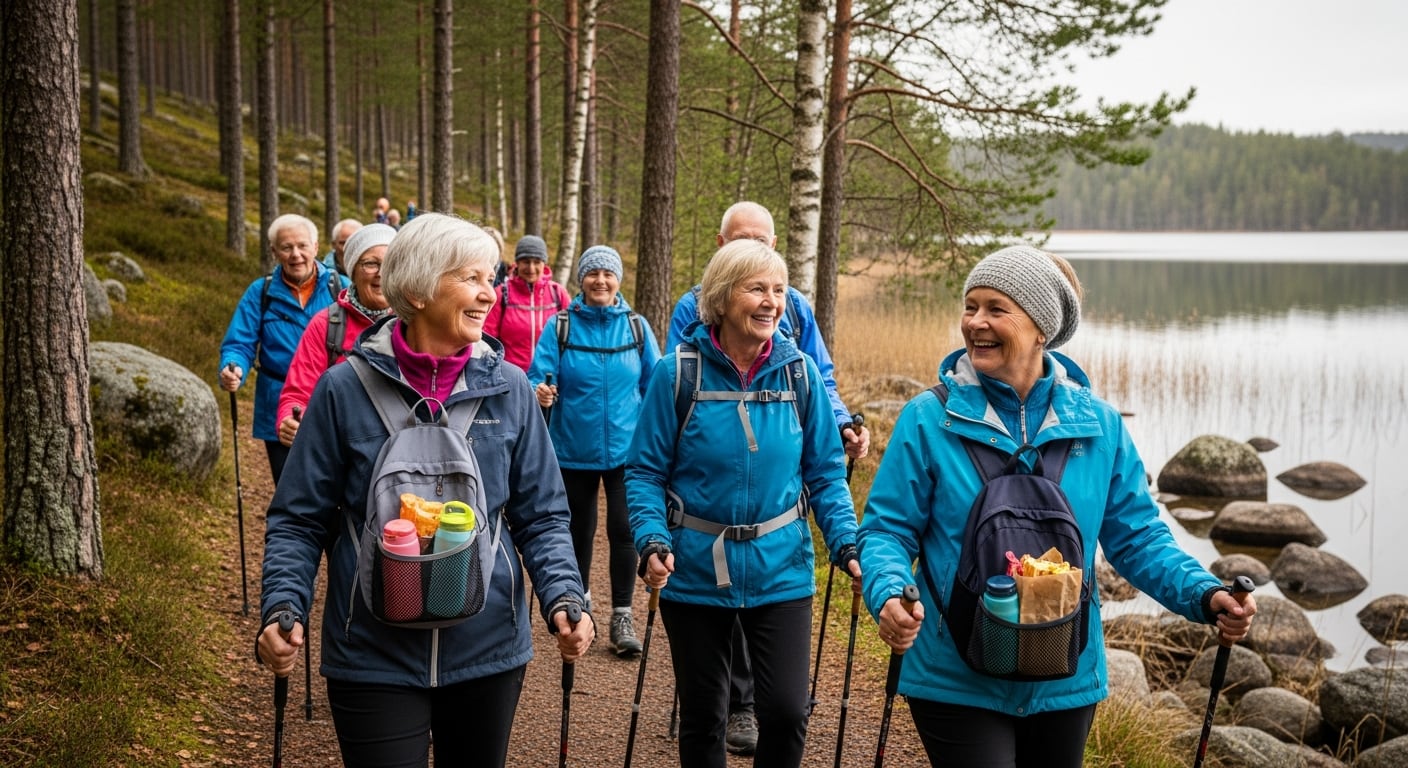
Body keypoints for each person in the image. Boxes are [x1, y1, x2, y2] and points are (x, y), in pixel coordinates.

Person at [856, 244, 1258, 768]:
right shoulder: (928, 419)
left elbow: (1138, 539)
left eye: (996, 309)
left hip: (1066, 676)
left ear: (1040, 327)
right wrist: (888, 591)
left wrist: (1203, 595)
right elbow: (887, 530)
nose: (975, 322)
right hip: (953, 675)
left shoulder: (1100, 426)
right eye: (970, 306)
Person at [256, 213, 593, 767]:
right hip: (369, 651)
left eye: (491, 278)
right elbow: (299, 517)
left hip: (488, 651)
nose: (490, 294)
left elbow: (543, 515)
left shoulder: (509, 388)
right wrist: (282, 605)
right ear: (415, 289)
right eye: (472, 279)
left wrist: (564, 595)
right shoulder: (343, 389)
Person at [628, 238, 862, 768]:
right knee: (704, 718)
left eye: (778, 290)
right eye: (756, 288)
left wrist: (846, 540)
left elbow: (825, 474)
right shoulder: (677, 373)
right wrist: (651, 538)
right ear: (722, 296)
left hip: (781, 566)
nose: (771, 302)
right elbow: (643, 472)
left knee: (785, 712)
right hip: (694, 569)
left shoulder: (799, 373)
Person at [527, 245, 662, 658]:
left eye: (607, 274)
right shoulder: (561, 326)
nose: (600, 280)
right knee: (576, 531)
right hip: (572, 450)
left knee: (624, 531)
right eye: (592, 274)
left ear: (617, 280)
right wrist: (541, 392)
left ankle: (622, 615)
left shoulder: (636, 328)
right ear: (581, 281)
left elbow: (655, 384)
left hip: (627, 452)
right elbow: (537, 372)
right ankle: (579, 606)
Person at [219, 213, 347, 484]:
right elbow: (239, 343)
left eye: (302, 246)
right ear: (274, 251)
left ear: (316, 246)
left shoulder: (341, 288)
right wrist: (233, 368)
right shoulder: (260, 292)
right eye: (287, 247)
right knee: (290, 486)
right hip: (277, 403)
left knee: (336, 486)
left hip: (334, 402)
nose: (296, 254)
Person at [276, 223, 397, 447]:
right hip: (340, 448)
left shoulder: (414, 321)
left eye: (390, 263)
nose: (381, 273)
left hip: (398, 451)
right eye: (371, 263)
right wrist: (290, 420)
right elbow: (298, 393)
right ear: (352, 270)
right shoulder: (327, 323)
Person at [483, 234, 571, 371]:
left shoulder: (558, 294)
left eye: (537, 262)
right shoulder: (501, 294)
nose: (531, 268)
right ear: (517, 263)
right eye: (526, 261)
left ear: (544, 264)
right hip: (511, 378)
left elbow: (572, 337)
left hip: (549, 380)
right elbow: (487, 340)